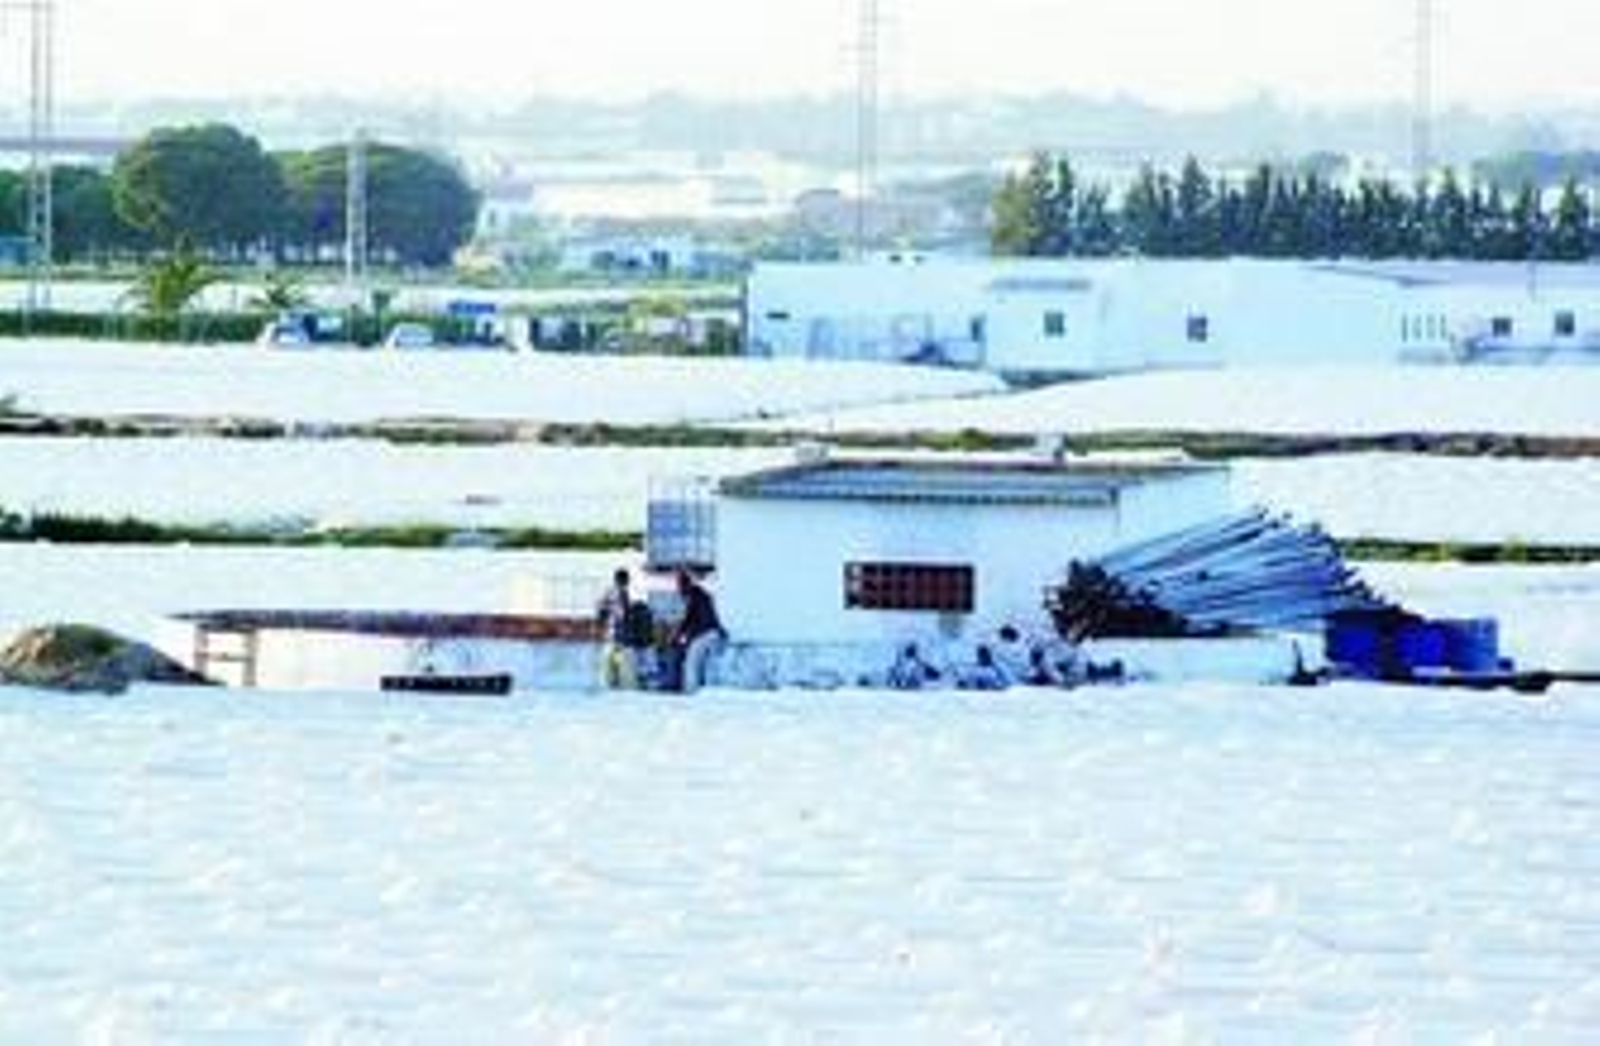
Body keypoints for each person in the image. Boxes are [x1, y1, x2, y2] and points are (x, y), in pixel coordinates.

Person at [670, 569, 726, 693]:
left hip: (706, 633)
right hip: (713, 633)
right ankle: (698, 688)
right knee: (702, 663)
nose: (678, 590)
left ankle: (691, 690)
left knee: (691, 661)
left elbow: (688, 619)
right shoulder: (700, 594)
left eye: (679, 586)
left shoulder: (694, 595)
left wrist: (676, 636)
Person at [596, 568, 645, 689]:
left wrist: (603, 624)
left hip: (611, 637)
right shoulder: (621, 594)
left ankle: (611, 686)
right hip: (620, 639)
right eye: (625, 580)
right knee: (623, 669)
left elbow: (601, 612)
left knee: (611, 667)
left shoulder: (608, 594)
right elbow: (623, 616)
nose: (625, 583)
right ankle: (619, 687)